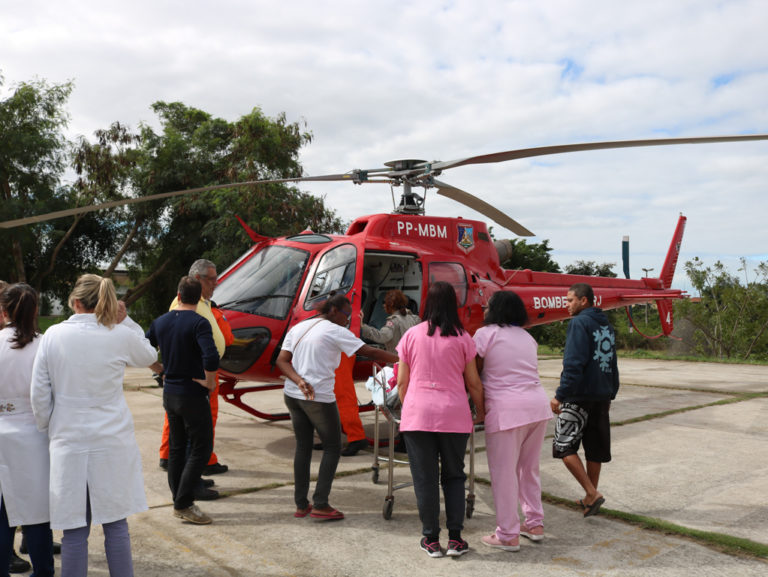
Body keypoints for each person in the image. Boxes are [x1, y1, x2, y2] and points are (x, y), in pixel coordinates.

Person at [31, 274, 157, 577]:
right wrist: (126, 322)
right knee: (116, 525)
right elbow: (149, 355)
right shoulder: (118, 334)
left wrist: (50, 427)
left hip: (69, 440)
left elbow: (38, 395)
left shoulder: (53, 335)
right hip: (112, 440)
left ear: (75, 302)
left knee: (74, 530)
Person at [276, 294, 398, 521]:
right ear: (333, 311)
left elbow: (282, 361)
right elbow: (369, 352)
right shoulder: (335, 331)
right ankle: (321, 504)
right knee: (333, 447)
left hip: (292, 395)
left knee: (303, 447)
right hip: (318, 398)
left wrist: (298, 380)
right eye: (346, 314)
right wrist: (403, 359)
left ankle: (302, 505)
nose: (348, 319)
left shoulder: (300, 327)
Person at [396, 281, 485, 558]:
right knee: (454, 476)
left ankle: (431, 540)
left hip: (418, 415)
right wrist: (481, 411)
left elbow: (401, 383)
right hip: (454, 415)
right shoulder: (463, 338)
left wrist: (410, 406)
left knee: (425, 478)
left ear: (427, 303)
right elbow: (473, 383)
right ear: (452, 304)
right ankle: (457, 539)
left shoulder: (411, 335)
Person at [473, 291, 552, 552]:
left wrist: (477, 406)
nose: (484, 309)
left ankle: (507, 534)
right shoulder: (527, 337)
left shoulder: (485, 334)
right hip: (537, 406)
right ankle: (534, 523)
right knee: (528, 468)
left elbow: (473, 371)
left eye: (488, 306)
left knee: (504, 473)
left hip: (507, 410)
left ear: (496, 310)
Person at [147, 276, 219, 525]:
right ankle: (183, 502)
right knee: (202, 446)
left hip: (171, 392)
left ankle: (179, 497)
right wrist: (209, 382)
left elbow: (143, 348)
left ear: (178, 295)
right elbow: (211, 357)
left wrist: (159, 369)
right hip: (192, 392)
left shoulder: (161, 322)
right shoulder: (199, 322)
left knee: (177, 447)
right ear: (198, 298)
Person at [550, 283, 620, 518]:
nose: (566, 304)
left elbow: (573, 363)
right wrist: (611, 392)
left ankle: (592, 492)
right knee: (594, 449)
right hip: (601, 395)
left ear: (584, 301)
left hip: (578, 395)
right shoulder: (606, 325)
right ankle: (591, 498)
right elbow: (612, 363)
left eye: (570, 300)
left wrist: (560, 395)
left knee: (563, 445)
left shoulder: (579, 323)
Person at [0, 284, 55, 577]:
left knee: (1, 513)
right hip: (34, 434)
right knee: (37, 513)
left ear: (4, 311)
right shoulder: (44, 344)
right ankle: (43, 571)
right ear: (35, 311)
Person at [158, 259, 229, 480]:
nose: (215, 284)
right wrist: (207, 377)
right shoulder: (187, 305)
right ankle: (193, 478)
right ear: (197, 280)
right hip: (197, 375)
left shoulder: (201, 303)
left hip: (195, 373)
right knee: (197, 430)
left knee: (186, 428)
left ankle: (182, 470)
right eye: (211, 280)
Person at [360, 289, 420, 353]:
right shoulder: (415, 318)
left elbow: (382, 337)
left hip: (396, 360)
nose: (383, 305)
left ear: (391, 304)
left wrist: (362, 326)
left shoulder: (393, 321)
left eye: (384, 302)